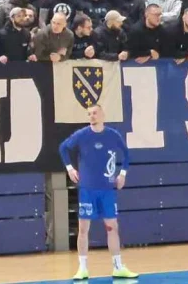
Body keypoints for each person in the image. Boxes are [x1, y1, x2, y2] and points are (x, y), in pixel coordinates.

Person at [59, 104, 138, 281]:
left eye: (94, 113)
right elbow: (63, 148)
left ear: (102, 114)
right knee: (83, 229)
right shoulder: (81, 135)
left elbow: (126, 154)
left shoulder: (113, 135)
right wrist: (70, 168)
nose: (92, 116)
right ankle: (82, 268)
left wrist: (122, 174)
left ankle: (118, 267)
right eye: (89, 114)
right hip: (87, 190)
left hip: (107, 190)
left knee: (112, 227)